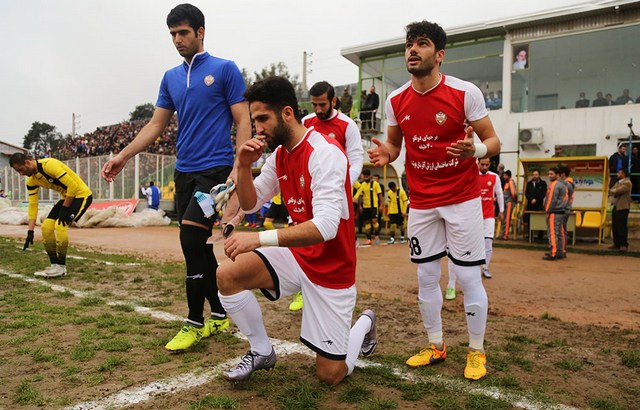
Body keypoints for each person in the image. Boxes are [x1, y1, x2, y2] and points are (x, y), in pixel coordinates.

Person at [101, 4, 251, 352]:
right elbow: (156, 124)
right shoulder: (170, 77)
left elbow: (243, 120)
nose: (177, 40)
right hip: (183, 172)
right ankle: (218, 314)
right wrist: (123, 155)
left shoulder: (225, 70)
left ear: (201, 32)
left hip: (214, 172)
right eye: (172, 34)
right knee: (196, 247)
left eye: (183, 32)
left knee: (189, 240)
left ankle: (193, 321)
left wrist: (238, 166)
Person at [216, 76, 377, 385]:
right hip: (297, 256)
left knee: (331, 376)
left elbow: (327, 227)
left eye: (263, 119)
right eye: (255, 120)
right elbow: (250, 204)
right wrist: (245, 166)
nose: (258, 128)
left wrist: (257, 239)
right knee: (227, 274)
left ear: (287, 113)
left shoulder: (325, 153)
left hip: (332, 268)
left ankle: (365, 323)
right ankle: (262, 351)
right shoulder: (279, 155)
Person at [368, 20, 500, 380]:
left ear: (439, 55)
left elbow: (493, 142)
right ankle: (436, 344)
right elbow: (395, 145)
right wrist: (387, 154)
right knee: (426, 277)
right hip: (422, 202)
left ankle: (476, 351)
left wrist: (476, 149)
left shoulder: (464, 93)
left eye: (422, 44)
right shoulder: (396, 101)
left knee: (469, 279)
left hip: (462, 199)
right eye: (409, 44)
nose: (412, 50)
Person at [291, 81, 364, 310]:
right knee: (303, 240)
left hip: (334, 196)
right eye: (314, 105)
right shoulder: (306, 123)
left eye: (322, 104)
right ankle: (303, 289)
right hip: (307, 195)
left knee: (332, 244)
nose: (318, 110)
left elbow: (356, 160)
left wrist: (340, 188)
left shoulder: (347, 125)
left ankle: (333, 291)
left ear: (333, 101)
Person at [10, 153, 93, 278]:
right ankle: (54, 265)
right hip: (67, 197)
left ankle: (61, 267)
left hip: (81, 195)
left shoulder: (50, 165)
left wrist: (65, 208)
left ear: (27, 162)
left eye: (20, 170)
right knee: (46, 227)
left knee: (60, 226)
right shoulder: (31, 181)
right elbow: (33, 205)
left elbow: (73, 186)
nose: (20, 174)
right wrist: (30, 231)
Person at [446, 158, 503, 300]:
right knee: (454, 249)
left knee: (487, 243)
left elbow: (499, 194)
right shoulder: (468, 175)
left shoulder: (494, 177)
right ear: (477, 163)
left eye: (486, 164)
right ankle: (451, 284)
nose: (484, 166)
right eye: (482, 164)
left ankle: (485, 268)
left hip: (488, 215)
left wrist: (501, 210)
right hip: (469, 216)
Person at [542, 167, 567, 261]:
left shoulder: (554, 185)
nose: (549, 176)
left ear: (557, 175)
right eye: (549, 174)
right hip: (561, 211)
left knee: (552, 232)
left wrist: (547, 211)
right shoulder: (563, 185)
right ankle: (560, 251)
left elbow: (552, 199)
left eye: (551, 174)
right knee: (560, 233)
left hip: (554, 212)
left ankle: (553, 253)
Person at [353, 169, 383, 246]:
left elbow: (380, 194)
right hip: (365, 206)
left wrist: (381, 205)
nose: (365, 178)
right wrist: (360, 205)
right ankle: (369, 239)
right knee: (367, 223)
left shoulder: (375, 184)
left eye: (366, 176)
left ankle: (376, 235)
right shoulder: (362, 185)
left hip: (374, 206)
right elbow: (360, 195)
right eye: (364, 176)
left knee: (374, 221)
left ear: (370, 176)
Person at [608, 168, 632, 252]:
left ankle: (623, 244)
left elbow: (617, 191)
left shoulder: (627, 183)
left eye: (619, 172)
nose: (618, 174)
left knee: (622, 226)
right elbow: (612, 190)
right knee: (615, 225)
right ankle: (616, 243)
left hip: (623, 207)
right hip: (616, 206)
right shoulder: (618, 182)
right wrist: (612, 191)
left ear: (623, 174)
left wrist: (612, 191)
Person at [524, 169, 547, 241]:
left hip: (539, 205)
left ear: (539, 175)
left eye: (536, 175)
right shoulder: (529, 183)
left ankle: (540, 236)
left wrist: (536, 199)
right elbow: (526, 193)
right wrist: (531, 199)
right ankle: (530, 235)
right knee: (529, 220)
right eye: (534, 175)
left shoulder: (543, 183)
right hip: (530, 205)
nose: (535, 176)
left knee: (539, 220)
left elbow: (543, 194)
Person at [558, 164, 575, 259]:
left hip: (563, 210)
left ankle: (562, 250)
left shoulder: (567, 184)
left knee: (562, 231)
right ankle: (560, 249)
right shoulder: (566, 183)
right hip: (564, 209)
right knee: (561, 230)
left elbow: (562, 199)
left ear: (563, 174)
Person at [499, 170, 516, 240]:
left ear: (508, 176)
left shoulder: (511, 182)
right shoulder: (507, 183)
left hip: (509, 203)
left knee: (507, 219)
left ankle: (505, 235)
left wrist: (514, 200)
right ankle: (503, 234)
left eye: (505, 175)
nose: (504, 177)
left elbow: (513, 193)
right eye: (504, 175)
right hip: (506, 203)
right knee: (504, 219)